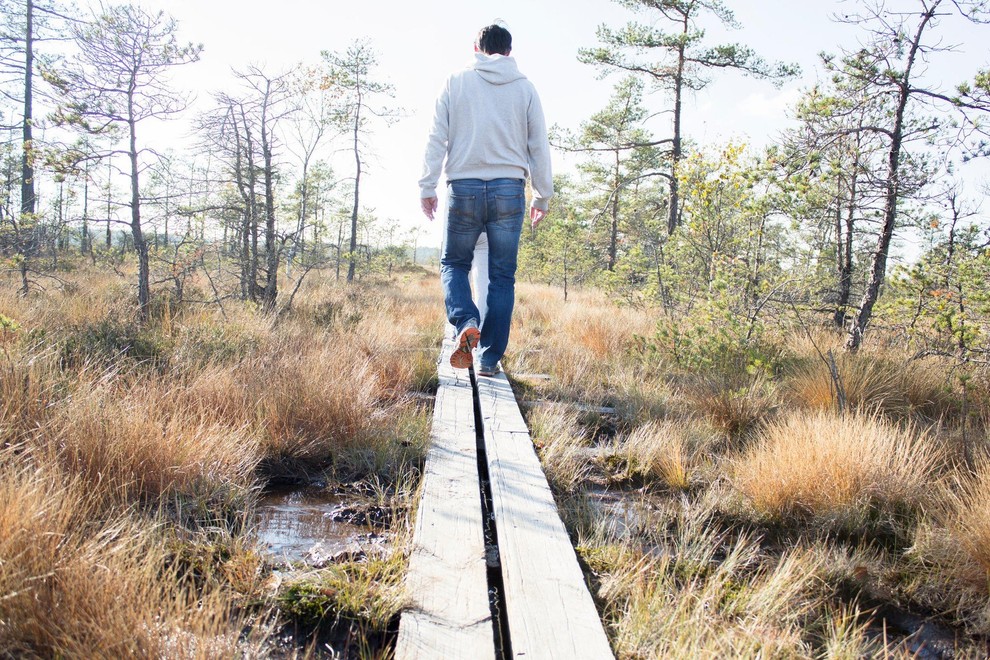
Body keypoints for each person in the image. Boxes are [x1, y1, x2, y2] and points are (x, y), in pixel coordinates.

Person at [419, 23, 553, 376]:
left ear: (475, 48)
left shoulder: (455, 81)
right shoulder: (525, 88)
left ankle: (465, 323)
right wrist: (542, 195)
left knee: (454, 264)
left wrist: (427, 186)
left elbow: (437, 138)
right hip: (509, 189)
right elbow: (538, 145)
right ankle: (489, 359)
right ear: (509, 52)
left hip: (463, 187)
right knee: (502, 277)